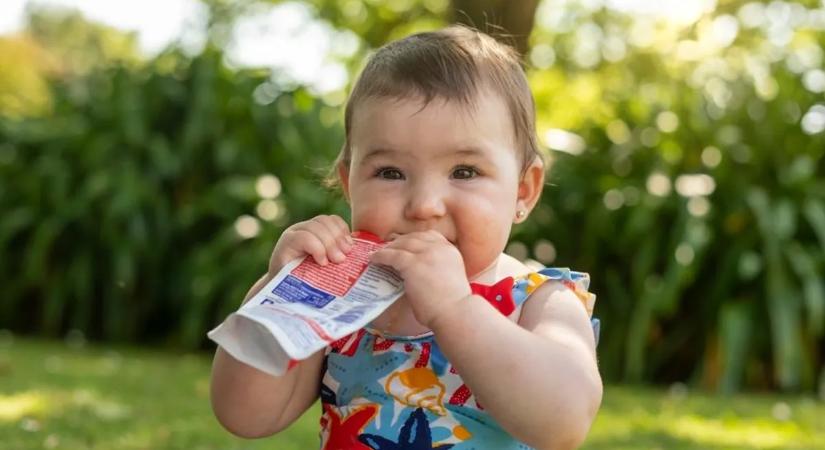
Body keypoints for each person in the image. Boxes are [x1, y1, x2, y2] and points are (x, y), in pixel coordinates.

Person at [210, 25, 602, 449]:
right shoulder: (343, 301)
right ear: (349, 184)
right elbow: (244, 415)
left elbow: (563, 423)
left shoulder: (541, 301)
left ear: (522, 191)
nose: (424, 205)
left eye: (464, 172)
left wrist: (454, 308)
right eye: (390, 173)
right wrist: (282, 297)